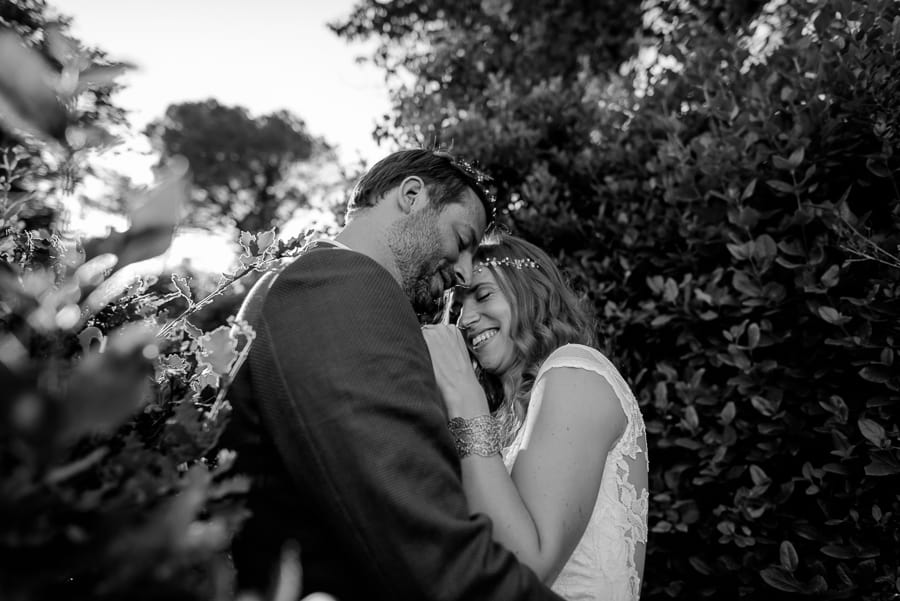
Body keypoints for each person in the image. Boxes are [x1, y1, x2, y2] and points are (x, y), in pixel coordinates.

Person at [220, 150, 565, 601]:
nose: (462, 273)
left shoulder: (300, 285)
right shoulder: (345, 287)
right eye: (462, 240)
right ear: (412, 195)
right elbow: (422, 538)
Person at [422, 234, 649, 601]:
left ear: (532, 294)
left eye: (482, 295)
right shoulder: (503, 419)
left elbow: (528, 565)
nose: (465, 320)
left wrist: (462, 392)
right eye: (458, 307)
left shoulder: (574, 370)